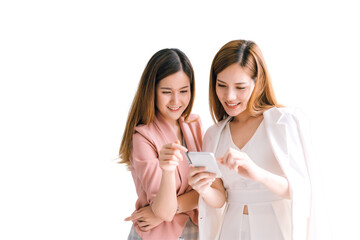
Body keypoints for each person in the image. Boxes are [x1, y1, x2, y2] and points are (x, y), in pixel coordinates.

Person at [188, 40, 322, 240]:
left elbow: (303, 190)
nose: (229, 96)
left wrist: (257, 174)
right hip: (231, 231)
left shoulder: (283, 122)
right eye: (221, 85)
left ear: (257, 82)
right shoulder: (214, 134)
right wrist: (203, 189)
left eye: (240, 87)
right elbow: (220, 198)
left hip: (275, 230)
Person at [119, 48, 203, 240]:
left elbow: (210, 191)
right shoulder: (142, 137)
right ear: (152, 91)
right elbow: (164, 211)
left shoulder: (194, 124)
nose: (176, 101)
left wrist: (170, 208)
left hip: (195, 232)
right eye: (166, 92)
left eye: (184, 91)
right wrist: (165, 208)